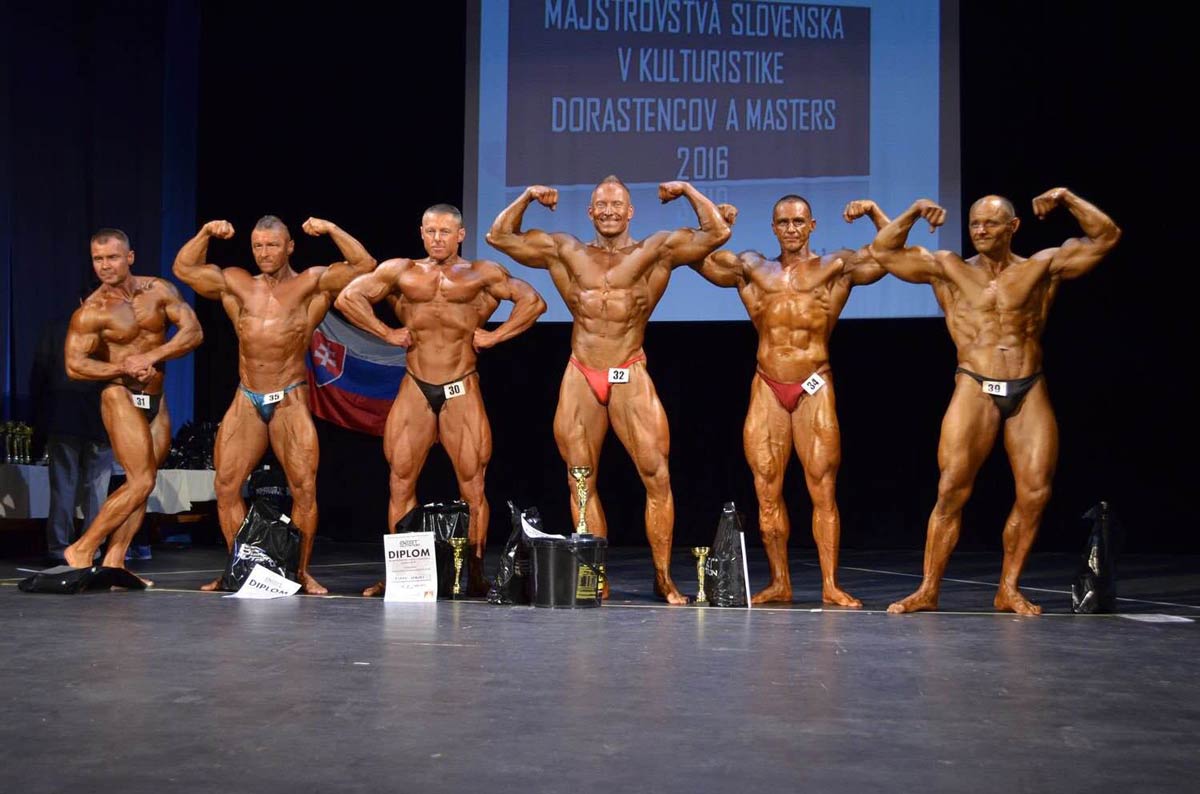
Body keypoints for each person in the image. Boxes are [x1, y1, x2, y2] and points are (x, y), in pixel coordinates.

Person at [871, 188, 1121, 614]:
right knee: (951, 488)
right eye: (974, 224)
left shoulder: (1041, 267)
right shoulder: (949, 267)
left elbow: (1106, 236)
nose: (981, 230)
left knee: (1035, 492)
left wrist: (1066, 198)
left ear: (1013, 227)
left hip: (1028, 385)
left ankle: (1008, 588)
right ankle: (928, 589)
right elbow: (883, 251)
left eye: (990, 223)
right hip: (975, 383)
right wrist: (912, 211)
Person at [487, 177, 731, 603]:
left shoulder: (655, 250)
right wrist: (527, 197)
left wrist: (687, 191)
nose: (609, 211)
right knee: (580, 480)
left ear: (630, 211)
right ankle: (593, 576)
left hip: (628, 369)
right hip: (581, 371)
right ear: (590, 212)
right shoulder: (566, 250)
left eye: (617, 204)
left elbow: (717, 233)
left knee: (657, 476)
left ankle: (663, 578)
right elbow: (499, 236)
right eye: (601, 204)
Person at [336, 204, 545, 597]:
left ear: (460, 235)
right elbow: (348, 298)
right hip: (416, 385)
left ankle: (476, 574)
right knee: (400, 482)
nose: (437, 239)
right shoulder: (401, 271)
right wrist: (386, 333)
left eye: (445, 232)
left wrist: (495, 336)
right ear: (421, 232)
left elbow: (532, 301)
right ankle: (399, 575)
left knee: (473, 485)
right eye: (430, 231)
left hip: (460, 385)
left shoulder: (482, 274)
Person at [691, 196, 892, 605]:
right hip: (767, 385)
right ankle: (780, 581)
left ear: (812, 225)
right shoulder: (752, 267)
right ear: (773, 227)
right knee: (766, 490)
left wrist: (874, 213)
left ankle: (830, 585)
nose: (791, 229)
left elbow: (890, 256)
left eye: (799, 222)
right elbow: (696, 259)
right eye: (783, 222)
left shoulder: (834, 267)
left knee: (822, 488)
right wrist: (714, 224)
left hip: (814, 384)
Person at [173, 216, 375, 594]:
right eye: (258, 246)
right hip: (247, 396)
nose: (264, 253)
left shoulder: (311, 283)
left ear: (289, 247)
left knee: (303, 489)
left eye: (272, 245)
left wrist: (332, 229)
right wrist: (205, 232)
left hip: (289, 398)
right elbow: (183, 268)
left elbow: (364, 265)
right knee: (226, 486)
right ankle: (239, 569)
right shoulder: (237, 282)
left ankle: (300, 572)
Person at [62, 229, 203, 579]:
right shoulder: (92, 311)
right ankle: (82, 548)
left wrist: (152, 356)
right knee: (140, 480)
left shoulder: (159, 290)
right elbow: (74, 365)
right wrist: (122, 367)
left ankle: (115, 560)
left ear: (130, 257)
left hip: (156, 399)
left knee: (145, 483)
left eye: (111, 257)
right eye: (97, 259)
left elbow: (193, 332)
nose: (104, 265)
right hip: (119, 395)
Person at [30, 281, 114, 565]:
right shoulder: (113, 333)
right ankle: (91, 548)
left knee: (64, 487)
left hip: (64, 418)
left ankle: (59, 548)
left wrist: (38, 423)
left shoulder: (55, 330)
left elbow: (38, 380)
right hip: (99, 419)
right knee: (95, 490)